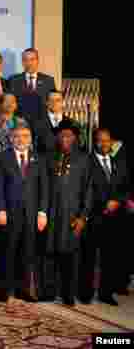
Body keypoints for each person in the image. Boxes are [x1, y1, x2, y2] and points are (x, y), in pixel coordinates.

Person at [0, 125, 48, 303]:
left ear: (30, 139)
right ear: (11, 138)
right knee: (7, 252)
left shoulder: (38, 159)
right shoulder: (2, 158)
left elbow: (44, 189)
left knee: (27, 253)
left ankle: (22, 290)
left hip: (31, 215)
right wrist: (0, 209)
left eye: (25, 136)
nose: (21, 139)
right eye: (17, 136)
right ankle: (3, 290)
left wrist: (42, 212)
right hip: (8, 213)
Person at [42, 119, 92, 306]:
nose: (65, 138)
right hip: (53, 212)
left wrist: (83, 217)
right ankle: (48, 291)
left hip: (73, 215)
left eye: (69, 135)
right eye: (62, 135)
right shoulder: (50, 157)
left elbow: (89, 190)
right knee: (50, 252)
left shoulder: (84, 159)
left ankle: (68, 294)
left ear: (75, 138)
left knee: (70, 256)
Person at [80, 127, 128, 305]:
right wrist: (103, 204)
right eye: (100, 140)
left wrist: (117, 201)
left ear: (111, 142)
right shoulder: (87, 162)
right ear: (95, 142)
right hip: (94, 217)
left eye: (107, 140)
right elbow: (85, 190)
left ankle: (106, 293)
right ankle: (85, 293)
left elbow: (125, 188)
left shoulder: (117, 162)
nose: (104, 144)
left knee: (110, 256)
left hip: (114, 218)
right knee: (89, 257)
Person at [8, 48, 57, 126]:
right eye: (25, 60)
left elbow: (53, 104)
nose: (29, 63)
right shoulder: (13, 80)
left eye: (32, 59)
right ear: (22, 62)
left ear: (37, 61)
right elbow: (9, 104)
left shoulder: (48, 80)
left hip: (42, 124)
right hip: (19, 124)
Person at [33, 90, 67, 154]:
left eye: (58, 100)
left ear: (63, 102)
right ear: (46, 102)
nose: (54, 103)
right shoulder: (37, 124)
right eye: (51, 100)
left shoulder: (72, 124)